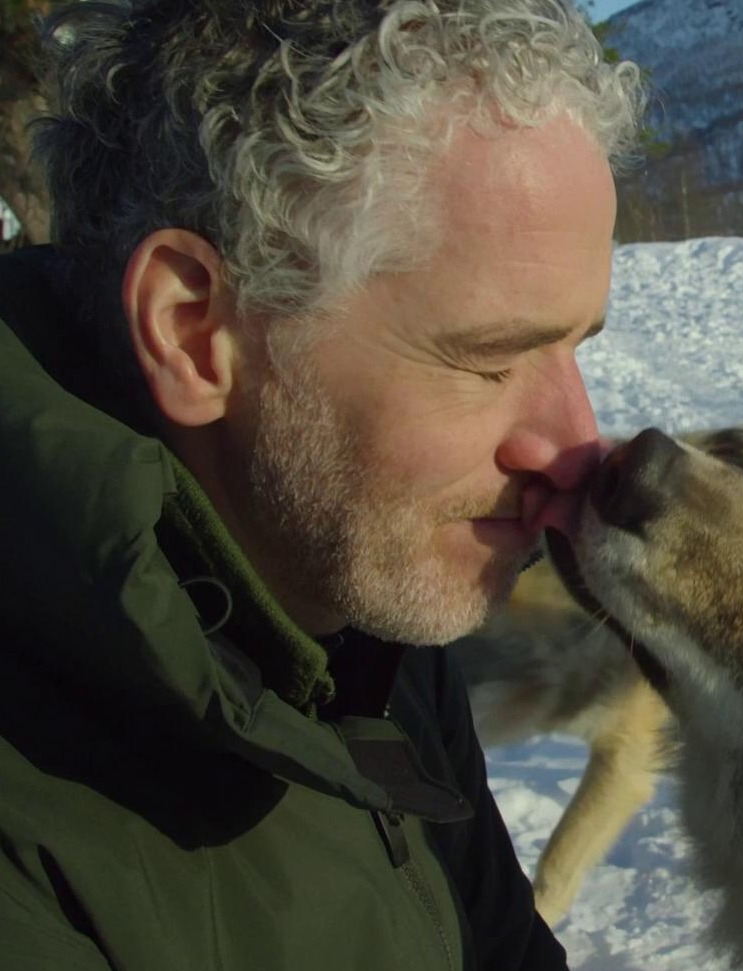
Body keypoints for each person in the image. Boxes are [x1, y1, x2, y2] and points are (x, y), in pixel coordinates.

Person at [0, 1, 643, 968]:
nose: (575, 447)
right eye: (488, 360)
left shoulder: (357, 605)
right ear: (192, 331)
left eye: (575, 345)